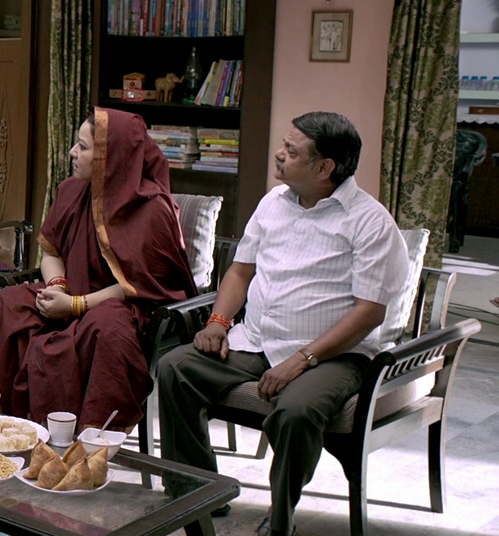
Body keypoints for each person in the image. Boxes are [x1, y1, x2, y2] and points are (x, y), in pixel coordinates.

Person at [156, 111, 410, 536]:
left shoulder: (370, 222)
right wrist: (218, 321)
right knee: (175, 367)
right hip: (257, 340)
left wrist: (301, 359)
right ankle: (196, 492)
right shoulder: (273, 202)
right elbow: (240, 271)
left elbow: (369, 312)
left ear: (324, 168)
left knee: (295, 411)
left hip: (334, 355)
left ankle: (280, 517)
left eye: (291, 151)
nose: (279, 154)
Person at [0, 107, 196, 432]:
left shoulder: (153, 210)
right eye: (76, 144)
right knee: (8, 302)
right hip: (70, 290)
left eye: (83, 147)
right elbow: (50, 251)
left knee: (107, 329)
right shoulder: (71, 190)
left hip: (124, 306)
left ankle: (88, 438)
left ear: (111, 156)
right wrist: (57, 286)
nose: (73, 152)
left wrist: (75, 305)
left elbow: (138, 286)